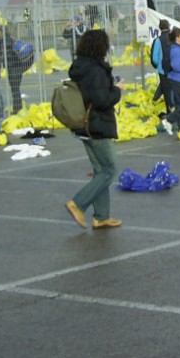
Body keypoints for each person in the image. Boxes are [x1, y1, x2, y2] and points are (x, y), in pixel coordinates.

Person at [65, 29, 125, 229]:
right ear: (100, 47)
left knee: (99, 170)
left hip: (84, 125)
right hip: (98, 124)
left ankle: (100, 216)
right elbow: (102, 100)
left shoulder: (81, 67)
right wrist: (117, 90)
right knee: (109, 169)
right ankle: (78, 203)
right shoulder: (97, 70)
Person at [0, 26, 24, 115]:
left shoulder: (6, 42)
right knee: (15, 89)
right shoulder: (10, 39)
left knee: (15, 89)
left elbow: (7, 55)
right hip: (16, 67)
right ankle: (18, 107)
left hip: (13, 68)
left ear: (1, 32)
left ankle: (17, 109)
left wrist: (0, 59)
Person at [151, 19, 173, 116]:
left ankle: (170, 112)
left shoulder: (158, 40)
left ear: (160, 28)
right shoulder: (174, 38)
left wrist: (157, 66)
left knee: (167, 91)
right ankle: (177, 110)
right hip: (174, 69)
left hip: (163, 70)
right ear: (168, 27)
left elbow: (154, 58)